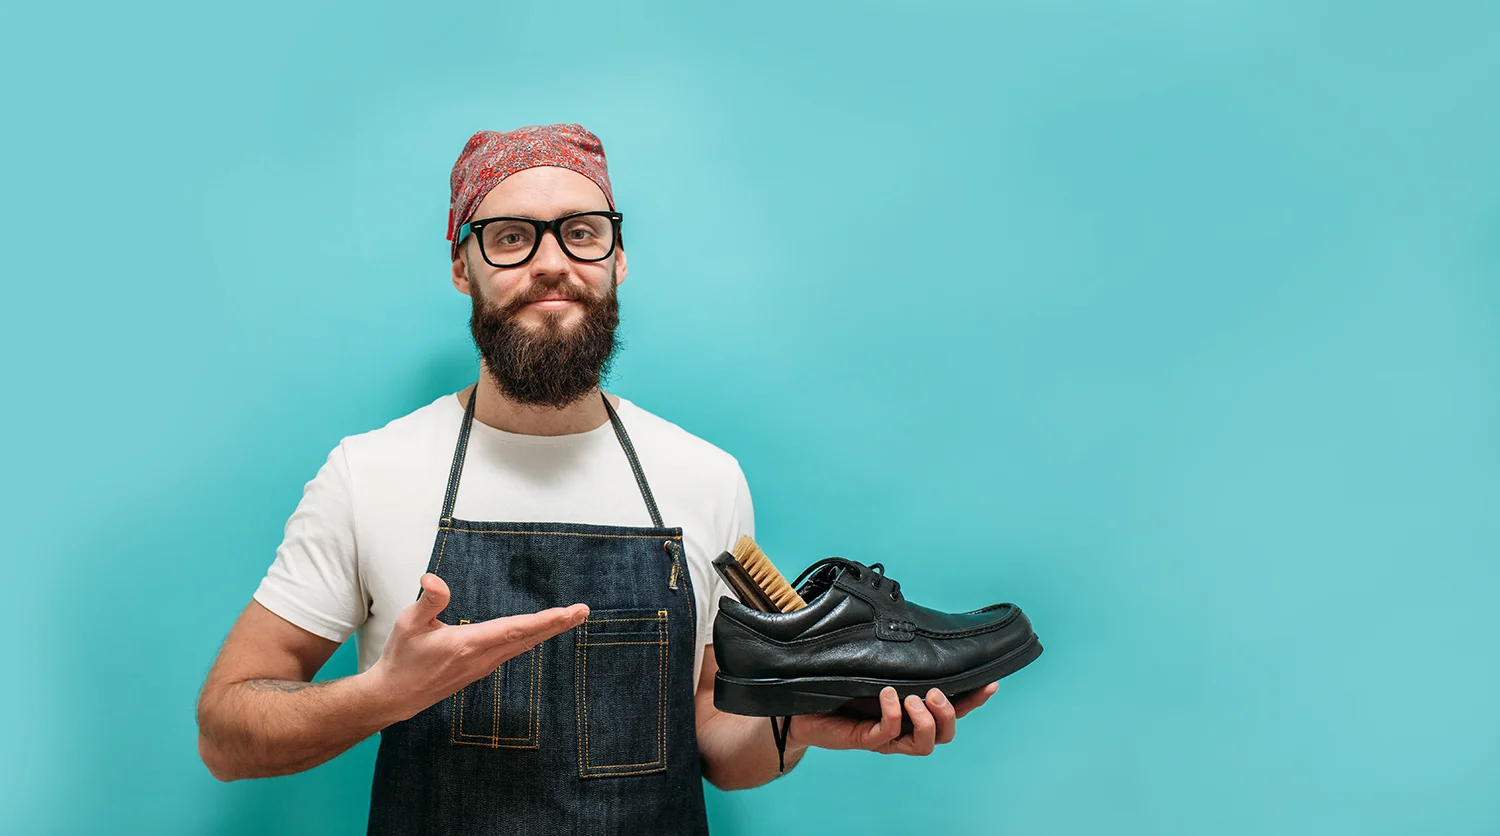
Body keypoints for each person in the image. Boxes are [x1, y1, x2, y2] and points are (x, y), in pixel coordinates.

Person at [195, 123, 1000, 835]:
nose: (551, 264)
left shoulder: (703, 477)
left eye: (580, 233)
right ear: (461, 266)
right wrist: (381, 695)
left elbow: (718, 742)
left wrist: (807, 726)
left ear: (617, 258)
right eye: (510, 237)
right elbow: (224, 734)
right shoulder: (368, 475)